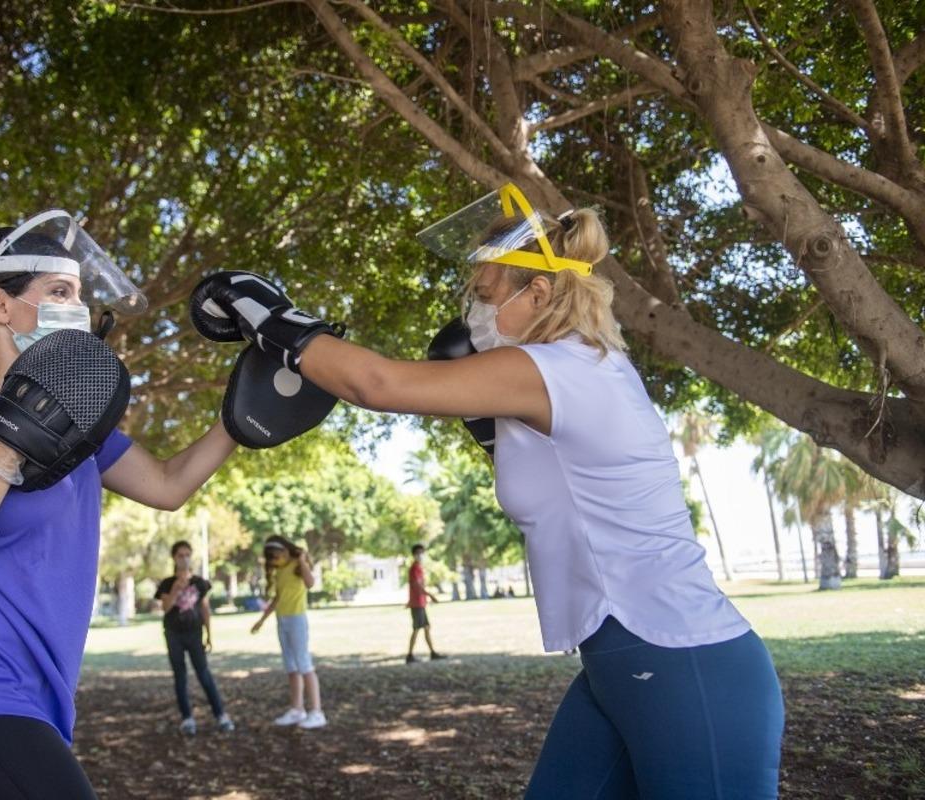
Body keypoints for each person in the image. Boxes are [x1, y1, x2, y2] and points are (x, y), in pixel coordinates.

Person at [194, 183, 785, 798]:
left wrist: (267, 315)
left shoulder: (560, 368)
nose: (472, 314)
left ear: (538, 292)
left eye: (483, 295)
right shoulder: (566, 375)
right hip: (622, 665)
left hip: (682, 661)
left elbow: (378, 384)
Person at [0, 212, 239, 799]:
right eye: (60, 293)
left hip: (29, 702)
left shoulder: (74, 414)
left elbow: (168, 485)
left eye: (79, 295)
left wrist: (242, 413)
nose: (78, 309)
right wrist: (8, 443)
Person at [155, 540, 234, 735]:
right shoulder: (166, 583)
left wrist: (209, 634)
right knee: (180, 676)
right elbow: (165, 608)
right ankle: (187, 718)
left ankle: (221, 715)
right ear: (174, 558)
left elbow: (205, 609)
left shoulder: (200, 583)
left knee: (204, 674)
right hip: (174, 634)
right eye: (180, 555)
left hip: (194, 634)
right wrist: (176, 588)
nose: (184, 559)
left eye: (187, 554)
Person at [249, 536, 326, 729]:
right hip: (282, 620)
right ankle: (297, 709)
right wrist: (261, 620)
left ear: (285, 551)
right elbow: (278, 598)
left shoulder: (297, 565)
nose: (275, 560)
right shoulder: (280, 571)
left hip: (297, 619)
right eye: (272, 559)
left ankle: (317, 712)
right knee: (291, 667)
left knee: (304, 664)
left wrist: (301, 560)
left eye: (277, 556)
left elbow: (310, 583)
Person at [405, 544, 445, 664]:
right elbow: (417, 586)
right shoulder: (414, 568)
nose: (421, 555)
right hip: (417, 603)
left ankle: (432, 652)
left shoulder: (418, 568)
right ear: (414, 554)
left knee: (426, 627)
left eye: (422, 553)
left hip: (420, 602)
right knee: (417, 628)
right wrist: (430, 595)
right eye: (419, 553)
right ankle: (410, 655)